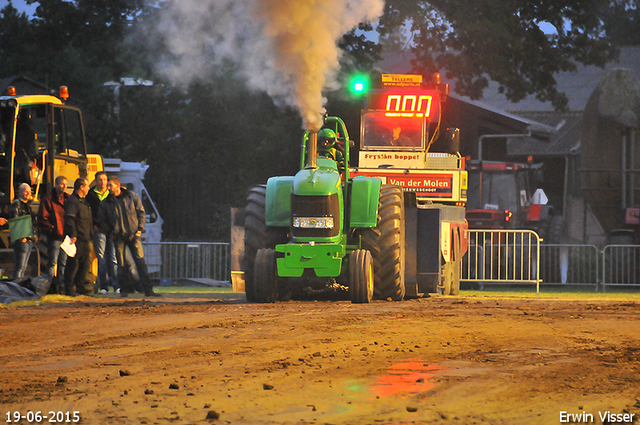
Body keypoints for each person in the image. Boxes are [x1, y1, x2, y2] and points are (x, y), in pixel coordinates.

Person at [98, 176, 160, 298]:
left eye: (110, 185)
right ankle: (124, 290)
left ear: (117, 185)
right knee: (121, 265)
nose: (108, 187)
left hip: (133, 235)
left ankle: (148, 290)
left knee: (140, 262)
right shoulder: (105, 203)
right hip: (118, 236)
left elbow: (141, 212)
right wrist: (110, 232)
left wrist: (139, 229)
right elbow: (101, 220)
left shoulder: (132, 197)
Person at [86, 171, 120, 294]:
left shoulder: (112, 195)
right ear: (95, 181)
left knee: (113, 258)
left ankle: (117, 286)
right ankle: (104, 287)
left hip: (111, 231)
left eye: (104, 179)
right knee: (101, 259)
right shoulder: (90, 195)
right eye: (100, 179)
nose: (102, 182)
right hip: (99, 230)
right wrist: (93, 225)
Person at [37, 175, 69, 294]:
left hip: (65, 238)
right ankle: (49, 287)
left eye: (65, 184)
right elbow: (42, 218)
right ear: (56, 185)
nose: (64, 186)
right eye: (61, 184)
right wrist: (52, 230)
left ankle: (61, 287)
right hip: (55, 237)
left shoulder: (68, 199)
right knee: (52, 262)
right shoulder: (48, 199)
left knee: (63, 263)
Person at [63, 178, 92, 296]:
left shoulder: (84, 202)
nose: (88, 188)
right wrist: (73, 234)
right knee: (73, 265)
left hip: (85, 238)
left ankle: (81, 288)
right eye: (87, 186)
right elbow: (70, 218)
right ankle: (69, 289)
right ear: (81, 187)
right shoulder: (72, 201)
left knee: (84, 265)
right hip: (77, 239)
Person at [9, 183, 37, 279]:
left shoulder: (28, 205)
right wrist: (22, 237)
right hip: (21, 240)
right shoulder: (16, 204)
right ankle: (16, 286)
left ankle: (19, 286)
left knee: (23, 266)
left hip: (29, 239)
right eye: (26, 191)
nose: (28, 193)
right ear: (20, 192)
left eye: (29, 191)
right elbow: (16, 221)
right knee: (20, 267)